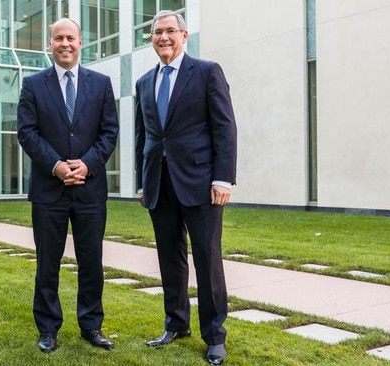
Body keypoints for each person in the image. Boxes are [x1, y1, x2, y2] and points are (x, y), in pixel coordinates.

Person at [134, 10, 237, 366]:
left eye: (170, 31)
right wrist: (142, 180)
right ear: (151, 38)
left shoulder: (207, 72)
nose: (163, 37)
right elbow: (142, 136)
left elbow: (224, 128)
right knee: (169, 258)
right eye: (157, 32)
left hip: (201, 184)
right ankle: (176, 323)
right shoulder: (144, 82)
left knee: (207, 259)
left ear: (184, 35)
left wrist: (222, 178)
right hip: (159, 184)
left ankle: (214, 336)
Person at [17, 18, 119, 353]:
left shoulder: (101, 84)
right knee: (48, 263)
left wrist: (87, 164)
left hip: (90, 190)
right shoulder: (32, 85)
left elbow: (109, 132)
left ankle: (91, 326)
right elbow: (27, 133)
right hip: (49, 191)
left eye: (71, 38)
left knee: (92, 262)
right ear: (50, 44)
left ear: (80, 42)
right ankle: (48, 328)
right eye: (58, 38)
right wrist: (57, 166)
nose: (65, 44)